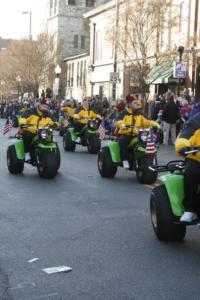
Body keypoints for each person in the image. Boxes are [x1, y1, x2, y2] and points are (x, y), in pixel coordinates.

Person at [116, 94, 159, 169]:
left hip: (138, 133)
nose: (136, 104)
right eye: (134, 103)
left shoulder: (139, 113)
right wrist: (122, 124)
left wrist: (155, 124)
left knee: (147, 141)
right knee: (122, 141)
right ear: (129, 104)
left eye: (136, 102)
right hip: (127, 133)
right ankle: (124, 159)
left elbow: (147, 121)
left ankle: (148, 159)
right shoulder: (123, 113)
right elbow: (118, 121)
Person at [175, 111, 200, 222]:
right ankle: (190, 210)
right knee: (191, 172)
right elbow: (184, 135)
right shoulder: (195, 120)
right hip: (197, 156)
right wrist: (183, 146)